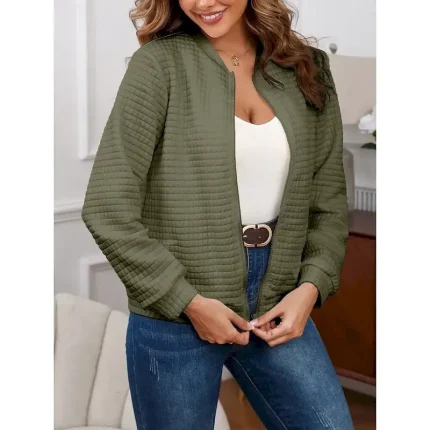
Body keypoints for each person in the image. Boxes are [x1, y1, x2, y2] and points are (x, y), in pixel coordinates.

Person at [81, 0, 354, 428]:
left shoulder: (307, 67)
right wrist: (187, 302)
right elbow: (106, 206)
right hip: (178, 306)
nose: (202, 2)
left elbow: (328, 200)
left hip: (277, 296)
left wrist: (310, 287)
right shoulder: (159, 66)